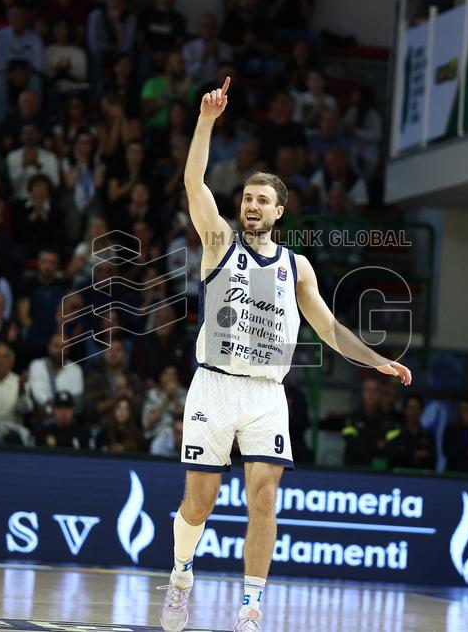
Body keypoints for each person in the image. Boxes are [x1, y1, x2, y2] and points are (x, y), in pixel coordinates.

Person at [159, 78, 411, 632]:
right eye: (247, 197)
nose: (251, 205)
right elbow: (193, 181)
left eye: (262, 200)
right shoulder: (219, 242)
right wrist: (206, 120)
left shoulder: (297, 267)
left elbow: (329, 328)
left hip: (268, 394)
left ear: (279, 211)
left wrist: (377, 360)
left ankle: (250, 606)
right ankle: (181, 573)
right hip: (215, 385)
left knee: (264, 497)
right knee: (198, 503)